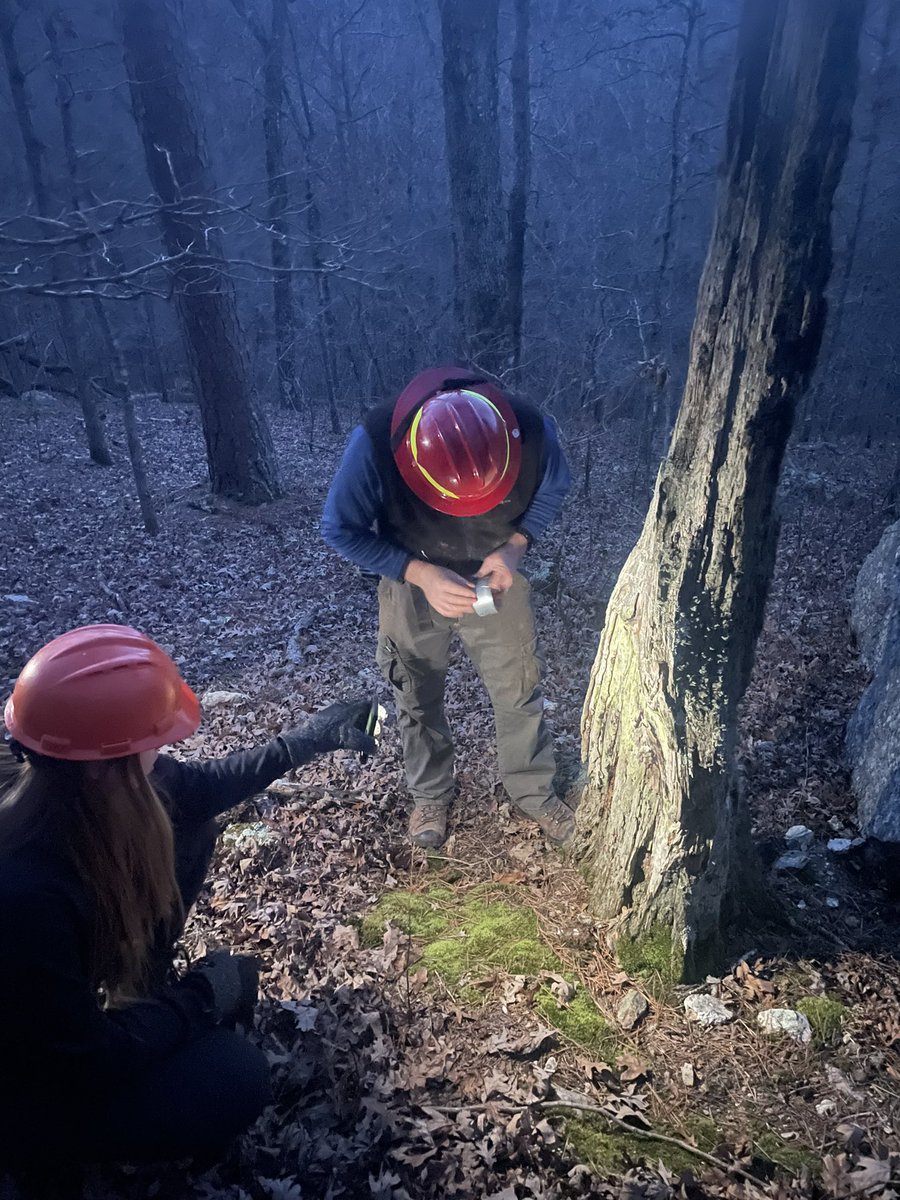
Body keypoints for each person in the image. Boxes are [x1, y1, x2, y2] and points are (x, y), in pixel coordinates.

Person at [0, 623, 375, 1169]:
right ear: (112, 763)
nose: (166, 749)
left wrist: (302, 741)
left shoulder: (69, 774)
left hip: (57, 1018)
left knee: (189, 826)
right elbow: (85, 1060)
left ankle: (138, 991)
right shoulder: (25, 897)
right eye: (154, 742)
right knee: (234, 1074)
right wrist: (201, 998)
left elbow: (197, 791)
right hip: (28, 1083)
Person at [321, 366, 572, 850]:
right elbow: (339, 528)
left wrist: (517, 544)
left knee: (518, 687)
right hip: (411, 579)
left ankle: (533, 791)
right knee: (413, 690)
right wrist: (418, 573)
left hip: (495, 576)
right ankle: (431, 793)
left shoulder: (532, 429)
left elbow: (553, 488)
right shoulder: (376, 442)